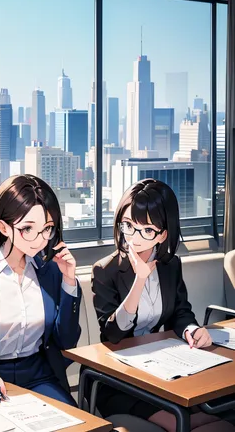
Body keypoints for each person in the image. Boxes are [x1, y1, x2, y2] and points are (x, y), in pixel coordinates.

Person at [92, 178, 234, 432]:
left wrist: (192, 329)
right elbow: (111, 335)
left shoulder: (169, 265)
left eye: (146, 230)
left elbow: (181, 312)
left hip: (163, 371)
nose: (134, 236)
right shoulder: (106, 270)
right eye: (128, 226)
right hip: (119, 380)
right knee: (185, 423)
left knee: (218, 418)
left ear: (163, 233)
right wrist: (140, 281)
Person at [0, 174, 81, 406]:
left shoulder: (52, 271)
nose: (40, 239)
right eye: (28, 229)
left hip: (41, 376)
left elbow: (67, 341)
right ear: (4, 227)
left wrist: (69, 280)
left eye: (47, 228)